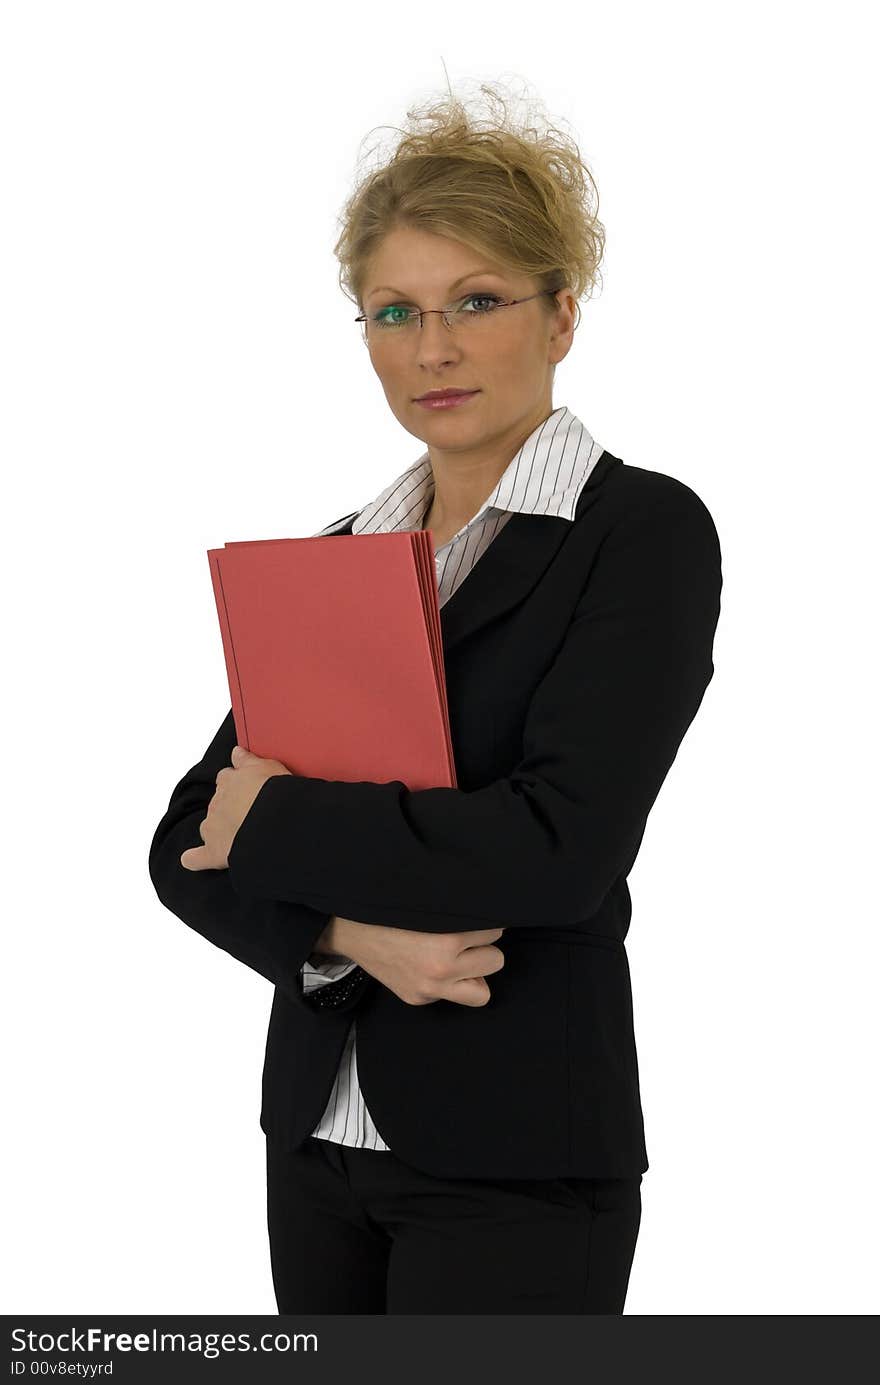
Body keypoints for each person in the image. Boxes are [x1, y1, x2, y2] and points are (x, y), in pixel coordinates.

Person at [148, 80, 723, 1315]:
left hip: (514, 1154)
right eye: (394, 311)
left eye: (477, 301)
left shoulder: (637, 532)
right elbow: (183, 847)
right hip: (313, 1144)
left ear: (562, 312)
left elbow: (558, 848)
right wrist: (346, 936)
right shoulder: (339, 552)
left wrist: (280, 820)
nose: (434, 349)